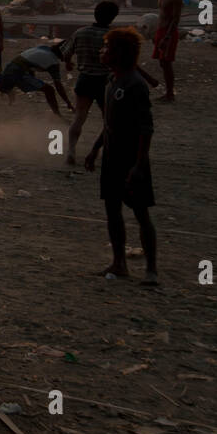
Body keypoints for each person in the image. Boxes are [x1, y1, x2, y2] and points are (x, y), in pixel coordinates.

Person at [84, 27, 158, 286]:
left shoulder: (134, 84)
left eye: (106, 48)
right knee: (112, 212)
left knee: (141, 214)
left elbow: (146, 128)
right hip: (111, 158)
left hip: (131, 160)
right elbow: (109, 124)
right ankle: (119, 263)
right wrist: (95, 149)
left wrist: (139, 165)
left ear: (119, 53)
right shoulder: (111, 81)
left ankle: (151, 270)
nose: (102, 51)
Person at [59, 1, 120, 166]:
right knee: (108, 120)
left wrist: (69, 63)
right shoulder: (113, 36)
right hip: (106, 82)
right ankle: (100, 150)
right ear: (113, 17)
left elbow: (65, 53)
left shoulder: (81, 32)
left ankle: (71, 151)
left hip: (85, 78)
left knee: (79, 117)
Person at [0, 42, 73, 118]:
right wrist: (68, 103)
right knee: (50, 90)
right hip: (19, 72)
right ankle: (57, 115)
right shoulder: (53, 63)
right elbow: (59, 86)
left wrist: (32, 78)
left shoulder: (43, 48)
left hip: (11, 66)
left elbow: (29, 60)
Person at [151, 0, 181, 102]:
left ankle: (170, 94)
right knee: (162, 63)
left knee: (167, 63)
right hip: (160, 31)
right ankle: (168, 92)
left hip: (169, 33)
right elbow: (162, 15)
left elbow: (175, 19)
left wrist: (167, 37)